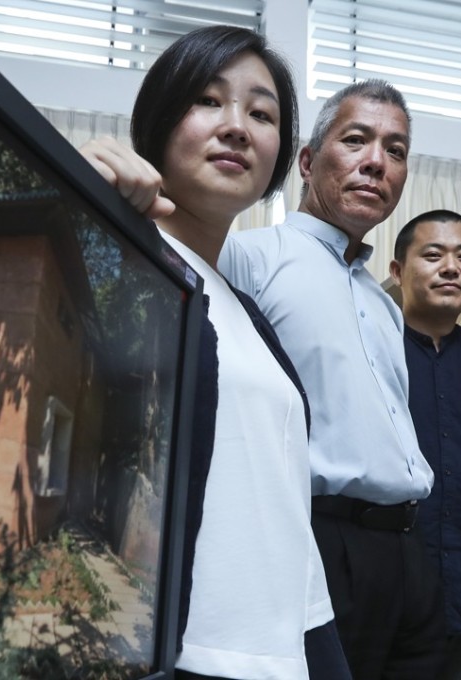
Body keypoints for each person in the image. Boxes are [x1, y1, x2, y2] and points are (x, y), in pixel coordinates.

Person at [79, 25, 349, 680]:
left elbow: (283, 509)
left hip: (282, 657)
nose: (238, 127)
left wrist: (325, 657)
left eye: (261, 114)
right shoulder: (126, 268)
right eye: (209, 100)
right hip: (184, 657)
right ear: (160, 122)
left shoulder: (246, 314)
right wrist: (74, 198)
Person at [217, 80, 441, 680]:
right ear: (310, 163)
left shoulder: (385, 303)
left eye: (395, 151)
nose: (376, 162)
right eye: (356, 140)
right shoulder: (248, 258)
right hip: (322, 542)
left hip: (409, 552)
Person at [389, 210, 461, 679]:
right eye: (433, 255)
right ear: (397, 271)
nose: (451, 268)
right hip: (389, 589)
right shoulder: (370, 351)